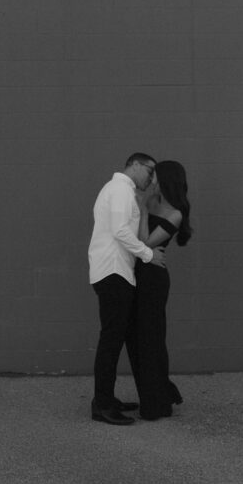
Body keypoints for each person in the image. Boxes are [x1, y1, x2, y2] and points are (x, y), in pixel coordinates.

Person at [88, 152, 166, 426]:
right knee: (111, 341)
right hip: (113, 272)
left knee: (114, 339)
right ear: (134, 165)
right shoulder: (120, 190)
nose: (152, 178)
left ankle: (106, 399)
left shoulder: (121, 190)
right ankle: (102, 405)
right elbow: (121, 231)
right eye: (150, 171)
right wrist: (148, 254)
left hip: (116, 272)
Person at [128, 160, 193, 421]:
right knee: (136, 339)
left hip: (153, 280)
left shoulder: (174, 213)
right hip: (136, 275)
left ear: (166, 180)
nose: (151, 179)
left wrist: (143, 211)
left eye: (156, 176)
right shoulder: (150, 200)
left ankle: (157, 402)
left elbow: (144, 242)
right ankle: (153, 395)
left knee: (151, 338)